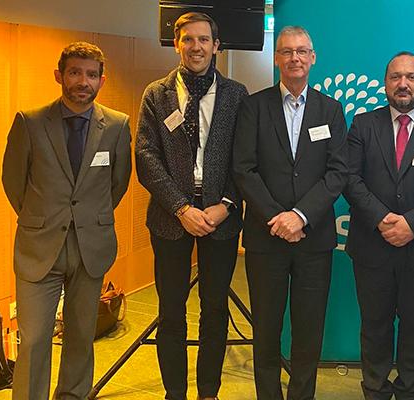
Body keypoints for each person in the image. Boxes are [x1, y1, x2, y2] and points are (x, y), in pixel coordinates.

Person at [1, 41, 132, 399]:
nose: (83, 82)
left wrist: (89, 217)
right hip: (39, 246)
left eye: (91, 74)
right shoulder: (30, 122)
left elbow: (118, 184)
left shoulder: (117, 125)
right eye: (75, 72)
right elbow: (13, 181)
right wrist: (41, 217)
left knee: (81, 335)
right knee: (34, 339)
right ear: (59, 75)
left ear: (102, 80)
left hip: (91, 247)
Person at [135, 12, 248, 400]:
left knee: (214, 310)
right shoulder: (156, 94)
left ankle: (208, 392)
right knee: (171, 311)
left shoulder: (236, 95)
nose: (195, 47)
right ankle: (175, 393)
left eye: (203, 40)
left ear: (216, 46)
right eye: (188, 39)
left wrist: (227, 204)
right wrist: (181, 208)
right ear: (176, 44)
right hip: (171, 217)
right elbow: (146, 156)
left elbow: (245, 157)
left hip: (221, 216)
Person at [233, 25, 348, 400]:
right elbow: (243, 168)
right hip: (266, 238)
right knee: (266, 329)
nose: (294, 58)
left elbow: (338, 172)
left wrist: (300, 216)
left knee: (308, 330)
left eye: (301, 51)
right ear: (276, 59)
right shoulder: (254, 106)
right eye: (286, 51)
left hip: (314, 240)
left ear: (313, 58)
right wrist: (277, 218)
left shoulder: (331, 110)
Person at [344, 52, 414, 400]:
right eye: (395, 77)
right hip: (372, 245)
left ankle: (409, 391)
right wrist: (381, 218)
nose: (403, 84)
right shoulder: (363, 125)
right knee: (374, 326)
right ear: (385, 83)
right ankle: (375, 390)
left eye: (411, 77)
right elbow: (350, 179)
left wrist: (412, 224)